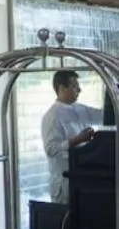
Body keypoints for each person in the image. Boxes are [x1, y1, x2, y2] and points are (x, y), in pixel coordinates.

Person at [42, 70, 103, 204]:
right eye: (75, 86)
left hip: (82, 180)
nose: (79, 90)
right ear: (62, 88)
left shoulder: (80, 109)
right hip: (64, 184)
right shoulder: (52, 117)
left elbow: (107, 116)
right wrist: (78, 140)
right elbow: (51, 149)